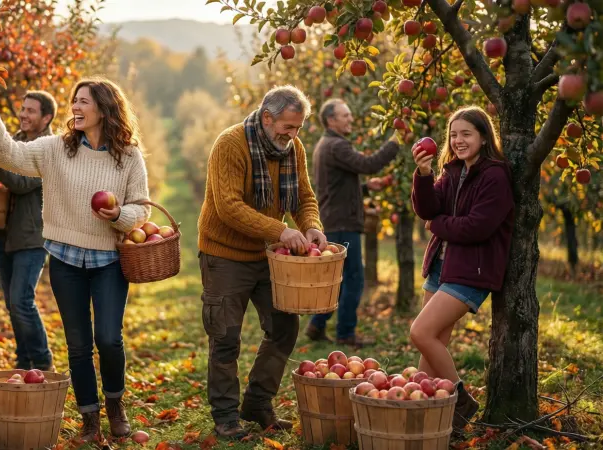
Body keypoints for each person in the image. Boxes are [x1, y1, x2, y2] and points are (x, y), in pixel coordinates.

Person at [0, 77, 151, 442]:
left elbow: (141, 208)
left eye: (84, 101)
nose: (76, 108)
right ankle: (89, 418)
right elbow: (8, 155)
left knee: (109, 339)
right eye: (74, 101)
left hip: (108, 261)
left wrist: (118, 217)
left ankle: (114, 403)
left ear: (105, 108)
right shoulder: (57, 148)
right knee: (79, 345)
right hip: (66, 259)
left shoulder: (129, 155)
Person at [197, 85, 325, 439]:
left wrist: (311, 226)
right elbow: (229, 207)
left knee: (284, 328)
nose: (293, 134)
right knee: (225, 337)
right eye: (288, 126)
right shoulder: (231, 144)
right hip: (224, 255)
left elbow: (303, 195)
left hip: (270, 257)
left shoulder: (291, 148)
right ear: (267, 117)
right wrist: (279, 231)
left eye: (298, 128)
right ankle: (225, 416)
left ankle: (256, 402)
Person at [409, 106, 514, 430]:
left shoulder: (495, 176)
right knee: (432, 345)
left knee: (421, 332)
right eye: (453, 134)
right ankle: (425, 416)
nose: (458, 140)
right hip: (442, 265)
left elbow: (476, 228)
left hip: (472, 270)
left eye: (466, 134)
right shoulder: (451, 171)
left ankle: (459, 401)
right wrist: (424, 175)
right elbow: (427, 208)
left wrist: (437, 224)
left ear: (484, 137)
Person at [0, 91, 57, 372]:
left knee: (21, 301)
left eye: (31, 110)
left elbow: (20, 182)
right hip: (6, 233)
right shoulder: (15, 141)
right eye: (22, 108)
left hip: (32, 236)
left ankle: (43, 362)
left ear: (46, 118)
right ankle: (23, 361)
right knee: (12, 304)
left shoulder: (48, 148)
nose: (23, 114)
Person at [305, 98, 400, 346]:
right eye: (345, 115)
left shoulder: (325, 145)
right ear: (331, 120)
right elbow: (368, 164)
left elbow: (336, 186)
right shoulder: (337, 146)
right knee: (354, 278)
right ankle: (345, 333)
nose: (350, 119)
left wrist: (366, 188)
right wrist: (394, 143)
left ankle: (317, 325)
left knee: (338, 279)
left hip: (334, 220)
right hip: (343, 223)